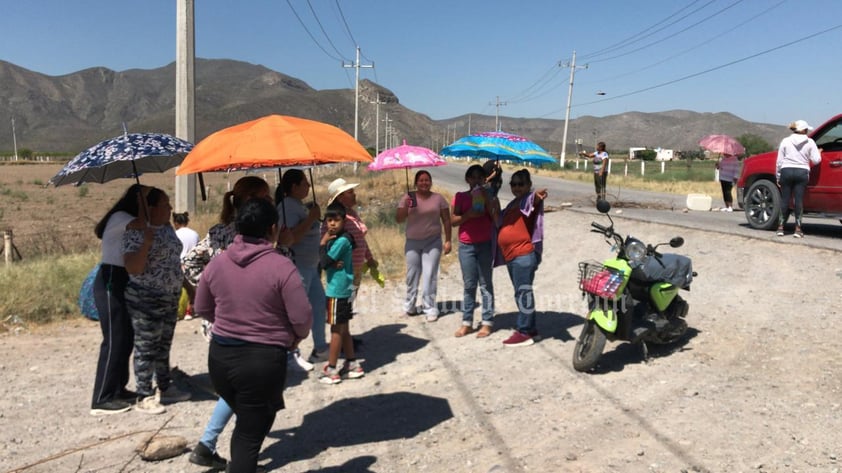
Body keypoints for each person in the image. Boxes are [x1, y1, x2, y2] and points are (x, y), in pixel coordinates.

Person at [195, 198, 312, 473]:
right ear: (273, 228)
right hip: (261, 362)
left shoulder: (219, 262)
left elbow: (201, 307)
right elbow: (302, 318)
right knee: (250, 434)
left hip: (220, 358)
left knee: (247, 424)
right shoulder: (281, 266)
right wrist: (295, 337)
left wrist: (228, 322)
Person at [184, 176, 273, 470]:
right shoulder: (252, 234)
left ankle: (208, 446)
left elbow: (189, 264)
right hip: (247, 323)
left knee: (236, 390)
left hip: (221, 321)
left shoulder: (217, 231)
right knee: (247, 393)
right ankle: (237, 459)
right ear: (252, 200)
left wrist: (207, 290)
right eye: (265, 196)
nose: (270, 200)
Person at [122, 187, 190, 414]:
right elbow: (133, 266)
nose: (171, 208)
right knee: (146, 346)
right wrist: (147, 242)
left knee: (164, 345)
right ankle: (144, 394)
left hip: (169, 296)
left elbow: (173, 261)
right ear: (151, 208)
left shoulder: (167, 228)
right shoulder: (136, 230)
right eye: (165, 204)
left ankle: (165, 386)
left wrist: (188, 287)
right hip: (146, 297)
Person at [90, 184, 146, 416]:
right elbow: (143, 224)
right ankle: (102, 397)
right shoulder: (120, 216)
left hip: (122, 277)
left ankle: (119, 388)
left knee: (126, 336)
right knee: (113, 338)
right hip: (111, 278)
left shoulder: (127, 217)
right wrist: (145, 207)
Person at [277, 169, 329, 368]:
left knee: (317, 305)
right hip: (298, 266)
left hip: (310, 266)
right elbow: (291, 238)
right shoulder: (287, 207)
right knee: (296, 312)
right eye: (304, 183)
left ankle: (320, 347)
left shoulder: (297, 205)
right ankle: (290, 353)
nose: (308, 186)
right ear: (293, 187)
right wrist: (311, 217)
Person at [497, 169, 547, 347]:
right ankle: (531, 329)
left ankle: (524, 331)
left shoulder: (527, 200)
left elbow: (534, 200)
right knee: (522, 291)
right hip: (512, 255)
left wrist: (536, 195)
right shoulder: (513, 203)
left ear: (528, 185)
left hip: (523, 254)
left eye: (521, 184)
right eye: (513, 184)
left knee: (523, 292)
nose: (517, 187)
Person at [395, 170, 452, 321]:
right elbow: (399, 219)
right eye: (421, 180)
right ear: (415, 183)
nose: (424, 183)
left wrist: (448, 240)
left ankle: (430, 308)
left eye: (427, 180)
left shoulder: (438, 198)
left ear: (431, 182)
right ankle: (410, 306)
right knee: (412, 275)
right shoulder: (409, 197)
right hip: (413, 242)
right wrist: (405, 206)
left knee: (429, 275)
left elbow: (446, 220)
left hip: (432, 242)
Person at [318, 202, 365, 384]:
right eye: (329, 220)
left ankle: (331, 368)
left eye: (336, 220)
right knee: (344, 328)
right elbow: (329, 262)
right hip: (343, 288)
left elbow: (323, 262)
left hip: (337, 290)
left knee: (336, 330)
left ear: (344, 221)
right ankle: (352, 363)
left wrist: (322, 243)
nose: (332, 224)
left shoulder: (341, 240)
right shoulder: (340, 239)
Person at [451, 164, 497, 338]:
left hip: (485, 243)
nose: (476, 180)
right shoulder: (460, 197)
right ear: (467, 179)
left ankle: (487, 322)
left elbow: (495, 219)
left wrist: (488, 200)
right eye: (473, 177)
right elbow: (453, 221)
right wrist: (468, 215)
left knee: (486, 284)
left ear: (484, 179)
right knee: (469, 285)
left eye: (480, 177)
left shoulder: (489, 195)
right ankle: (467, 322)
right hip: (466, 246)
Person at [326, 178, 379, 300]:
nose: (354, 194)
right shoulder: (336, 217)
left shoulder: (352, 214)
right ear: (340, 197)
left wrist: (369, 258)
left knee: (348, 303)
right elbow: (328, 241)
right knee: (339, 302)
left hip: (356, 266)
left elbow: (360, 239)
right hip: (343, 269)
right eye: (350, 192)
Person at [776, 119, 822, 238]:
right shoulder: (810, 142)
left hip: (786, 170)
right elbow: (816, 160)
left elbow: (779, 161)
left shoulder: (785, 141)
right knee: (798, 200)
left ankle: (780, 228)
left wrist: (778, 176)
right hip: (802, 172)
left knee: (785, 200)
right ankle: (798, 229)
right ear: (804, 130)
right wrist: (819, 152)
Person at [173, 211, 200, 319]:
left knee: (178, 290)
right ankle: (189, 312)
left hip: (178, 264)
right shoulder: (195, 234)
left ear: (175, 223)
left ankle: (178, 312)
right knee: (191, 288)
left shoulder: (175, 234)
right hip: (192, 264)